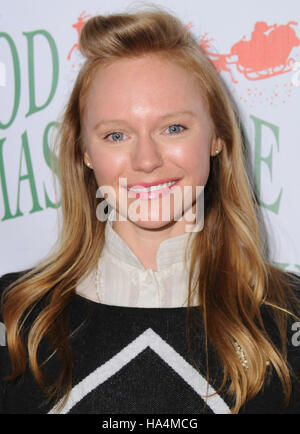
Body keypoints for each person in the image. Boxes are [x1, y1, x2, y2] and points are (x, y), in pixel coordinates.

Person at [1, 5, 300, 415]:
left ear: (217, 137)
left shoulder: (291, 315)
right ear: (85, 152)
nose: (146, 160)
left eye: (173, 128)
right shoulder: (14, 315)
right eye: (116, 134)